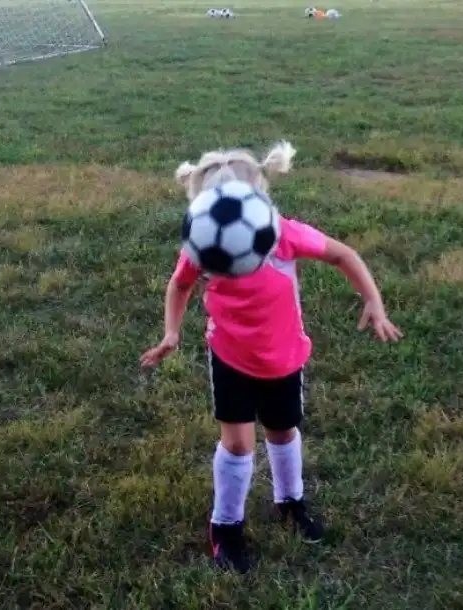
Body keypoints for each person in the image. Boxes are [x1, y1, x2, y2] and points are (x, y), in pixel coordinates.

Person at [140, 141, 403, 573]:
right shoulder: (203, 243)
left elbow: (342, 254)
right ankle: (226, 526)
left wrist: (373, 300)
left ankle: (290, 501)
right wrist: (172, 331)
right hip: (230, 356)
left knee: (282, 432)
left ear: (258, 202)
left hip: (283, 357)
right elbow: (180, 284)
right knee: (238, 444)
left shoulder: (282, 234)